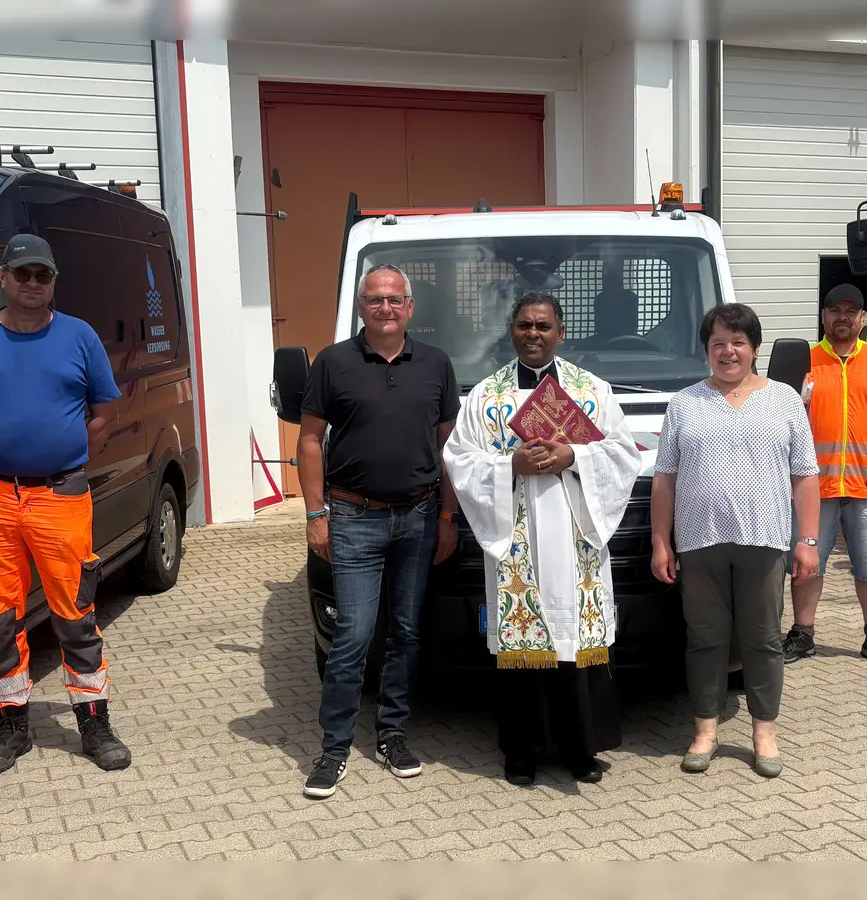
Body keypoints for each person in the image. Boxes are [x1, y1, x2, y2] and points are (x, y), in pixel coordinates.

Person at [0, 233, 131, 776]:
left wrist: (64, 456)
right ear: (2, 278)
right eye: (21, 273)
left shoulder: (79, 336)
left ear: (53, 282)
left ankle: (93, 720)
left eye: (41, 275)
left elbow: (104, 413)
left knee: (74, 613)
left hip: (60, 496)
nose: (31, 283)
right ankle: (12, 723)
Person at [443, 292, 642, 786]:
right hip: (518, 539)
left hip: (578, 536)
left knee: (577, 643)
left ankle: (581, 749)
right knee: (524, 646)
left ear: (560, 332)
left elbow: (624, 454)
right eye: (525, 325)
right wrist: (512, 463)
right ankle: (522, 751)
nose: (534, 333)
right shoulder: (486, 398)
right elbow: (459, 460)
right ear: (511, 331)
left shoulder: (590, 390)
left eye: (544, 326)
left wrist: (573, 456)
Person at [297, 264, 461, 800]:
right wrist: (315, 514)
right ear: (361, 307)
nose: (385, 308)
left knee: (407, 634)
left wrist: (445, 518)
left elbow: (449, 450)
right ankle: (335, 748)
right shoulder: (333, 363)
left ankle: (391, 735)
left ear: (410, 307)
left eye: (395, 300)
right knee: (352, 638)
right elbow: (310, 441)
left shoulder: (436, 364)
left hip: (418, 516)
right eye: (375, 300)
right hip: (353, 519)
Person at [651, 303, 821, 779]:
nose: (728, 352)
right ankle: (705, 730)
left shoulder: (784, 400)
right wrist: (660, 543)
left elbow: (805, 477)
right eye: (718, 343)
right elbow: (665, 478)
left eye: (738, 342)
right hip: (699, 541)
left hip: (765, 540)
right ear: (706, 350)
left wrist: (806, 540)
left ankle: (764, 731)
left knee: (763, 640)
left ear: (755, 349)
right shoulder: (684, 403)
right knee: (705, 640)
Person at [782, 283, 867, 669]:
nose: (843, 317)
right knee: (806, 565)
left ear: (862, 317)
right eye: (835, 310)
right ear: (823, 316)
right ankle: (802, 634)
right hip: (813, 486)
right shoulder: (801, 360)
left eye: (850, 311)